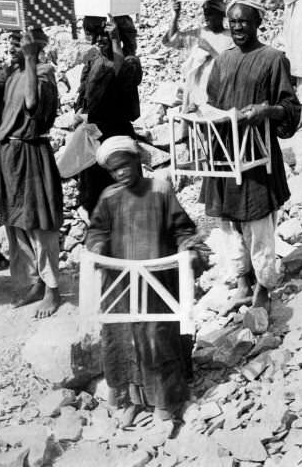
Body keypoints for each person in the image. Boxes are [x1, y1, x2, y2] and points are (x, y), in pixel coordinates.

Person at [86, 137, 208, 429]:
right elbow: (97, 232)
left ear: (137, 160)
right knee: (123, 340)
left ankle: (165, 403)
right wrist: (98, 248)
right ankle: (134, 400)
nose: (121, 174)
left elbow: (183, 229)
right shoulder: (109, 197)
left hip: (158, 282)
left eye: (125, 166)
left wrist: (186, 250)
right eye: (114, 171)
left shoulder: (160, 190)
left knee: (158, 339)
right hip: (121, 285)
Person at [201, 0, 299, 319]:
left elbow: (291, 107)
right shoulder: (223, 60)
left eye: (244, 21)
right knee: (229, 222)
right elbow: (211, 103)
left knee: (258, 223)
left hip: (258, 154)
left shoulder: (273, 59)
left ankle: (264, 288)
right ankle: (242, 283)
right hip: (226, 153)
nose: (238, 27)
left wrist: (265, 111)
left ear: (258, 23)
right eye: (233, 21)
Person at [0, 28, 63, 317]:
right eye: (13, 41)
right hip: (9, 155)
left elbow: (33, 104)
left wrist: (31, 60)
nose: (14, 46)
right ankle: (34, 282)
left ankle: (53, 289)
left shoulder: (43, 72)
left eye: (20, 42)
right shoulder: (12, 74)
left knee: (38, 224)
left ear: (35, 46)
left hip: (31, 154)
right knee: (15, 222)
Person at [73, 17, 143, 214]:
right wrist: (79, 113)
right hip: (94, 137)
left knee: (124, 195)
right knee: (96, 197)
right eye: (99, 35)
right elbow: (83, 95)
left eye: (106, 35)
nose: (100, 39)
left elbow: (120, 76)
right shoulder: (94, 61)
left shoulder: (130, 62)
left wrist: (115, 41)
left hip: (116, 135)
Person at [162, 0, 234, 113]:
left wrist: (210, 50)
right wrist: (175, 15)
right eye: (205, 14)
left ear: (221, 15)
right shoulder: (198, 34)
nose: (207, 18)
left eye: (210, 14)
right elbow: (172, 40)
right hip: (196, 92)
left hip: (221, 91)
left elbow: (232, 67)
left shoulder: (231, 37)